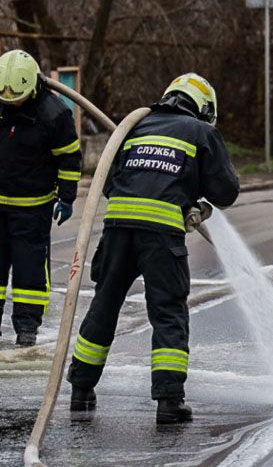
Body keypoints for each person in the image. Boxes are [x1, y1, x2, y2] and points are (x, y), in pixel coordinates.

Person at [67, 73, 239, 424]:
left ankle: (80, 391)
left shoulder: (137, 125)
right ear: (204, 108)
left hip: (117, 229)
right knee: (168, 312)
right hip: (160, 236)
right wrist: (188, 199)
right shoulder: (202, 133)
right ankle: (168, 401)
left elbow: (109, 181)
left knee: (104, 305)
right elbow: (225, 191)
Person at [0, 50, 81, 347]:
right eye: (7, 100)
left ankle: (26, 327)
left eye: (17, 99)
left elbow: (69, 159)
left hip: (32, 208)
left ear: (33, 86)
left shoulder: (55, 113)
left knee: (29, 269)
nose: (11, 104)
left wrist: (67, 197)